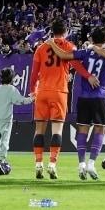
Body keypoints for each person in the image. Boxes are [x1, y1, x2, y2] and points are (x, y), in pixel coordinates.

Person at [47, 27, 105, 180]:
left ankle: (81, 164)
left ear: (92, 39)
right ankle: (91, 162)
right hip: (100, 96)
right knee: (100, 130)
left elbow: (64, 55)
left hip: (84, 97)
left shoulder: (85, 52)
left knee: (82, 131)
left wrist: (52, 43)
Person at [26, 20, 94, 180]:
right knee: (57, 130)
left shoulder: (41, 48)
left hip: (42, 91)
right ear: (65, 32)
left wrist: (32, 91)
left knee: (39, 130)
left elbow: (34, 73)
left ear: (52, 31)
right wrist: (88, 76)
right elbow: (77, 65)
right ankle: (52, 164)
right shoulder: (69, 46)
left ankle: (38, 164)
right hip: (59, 92)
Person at [0, 68, 34, 175]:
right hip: (6, 120)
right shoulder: (11, 89)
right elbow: (21, 101)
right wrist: (31, 98)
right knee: (4, 141)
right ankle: (1, 160)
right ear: (12, 78)